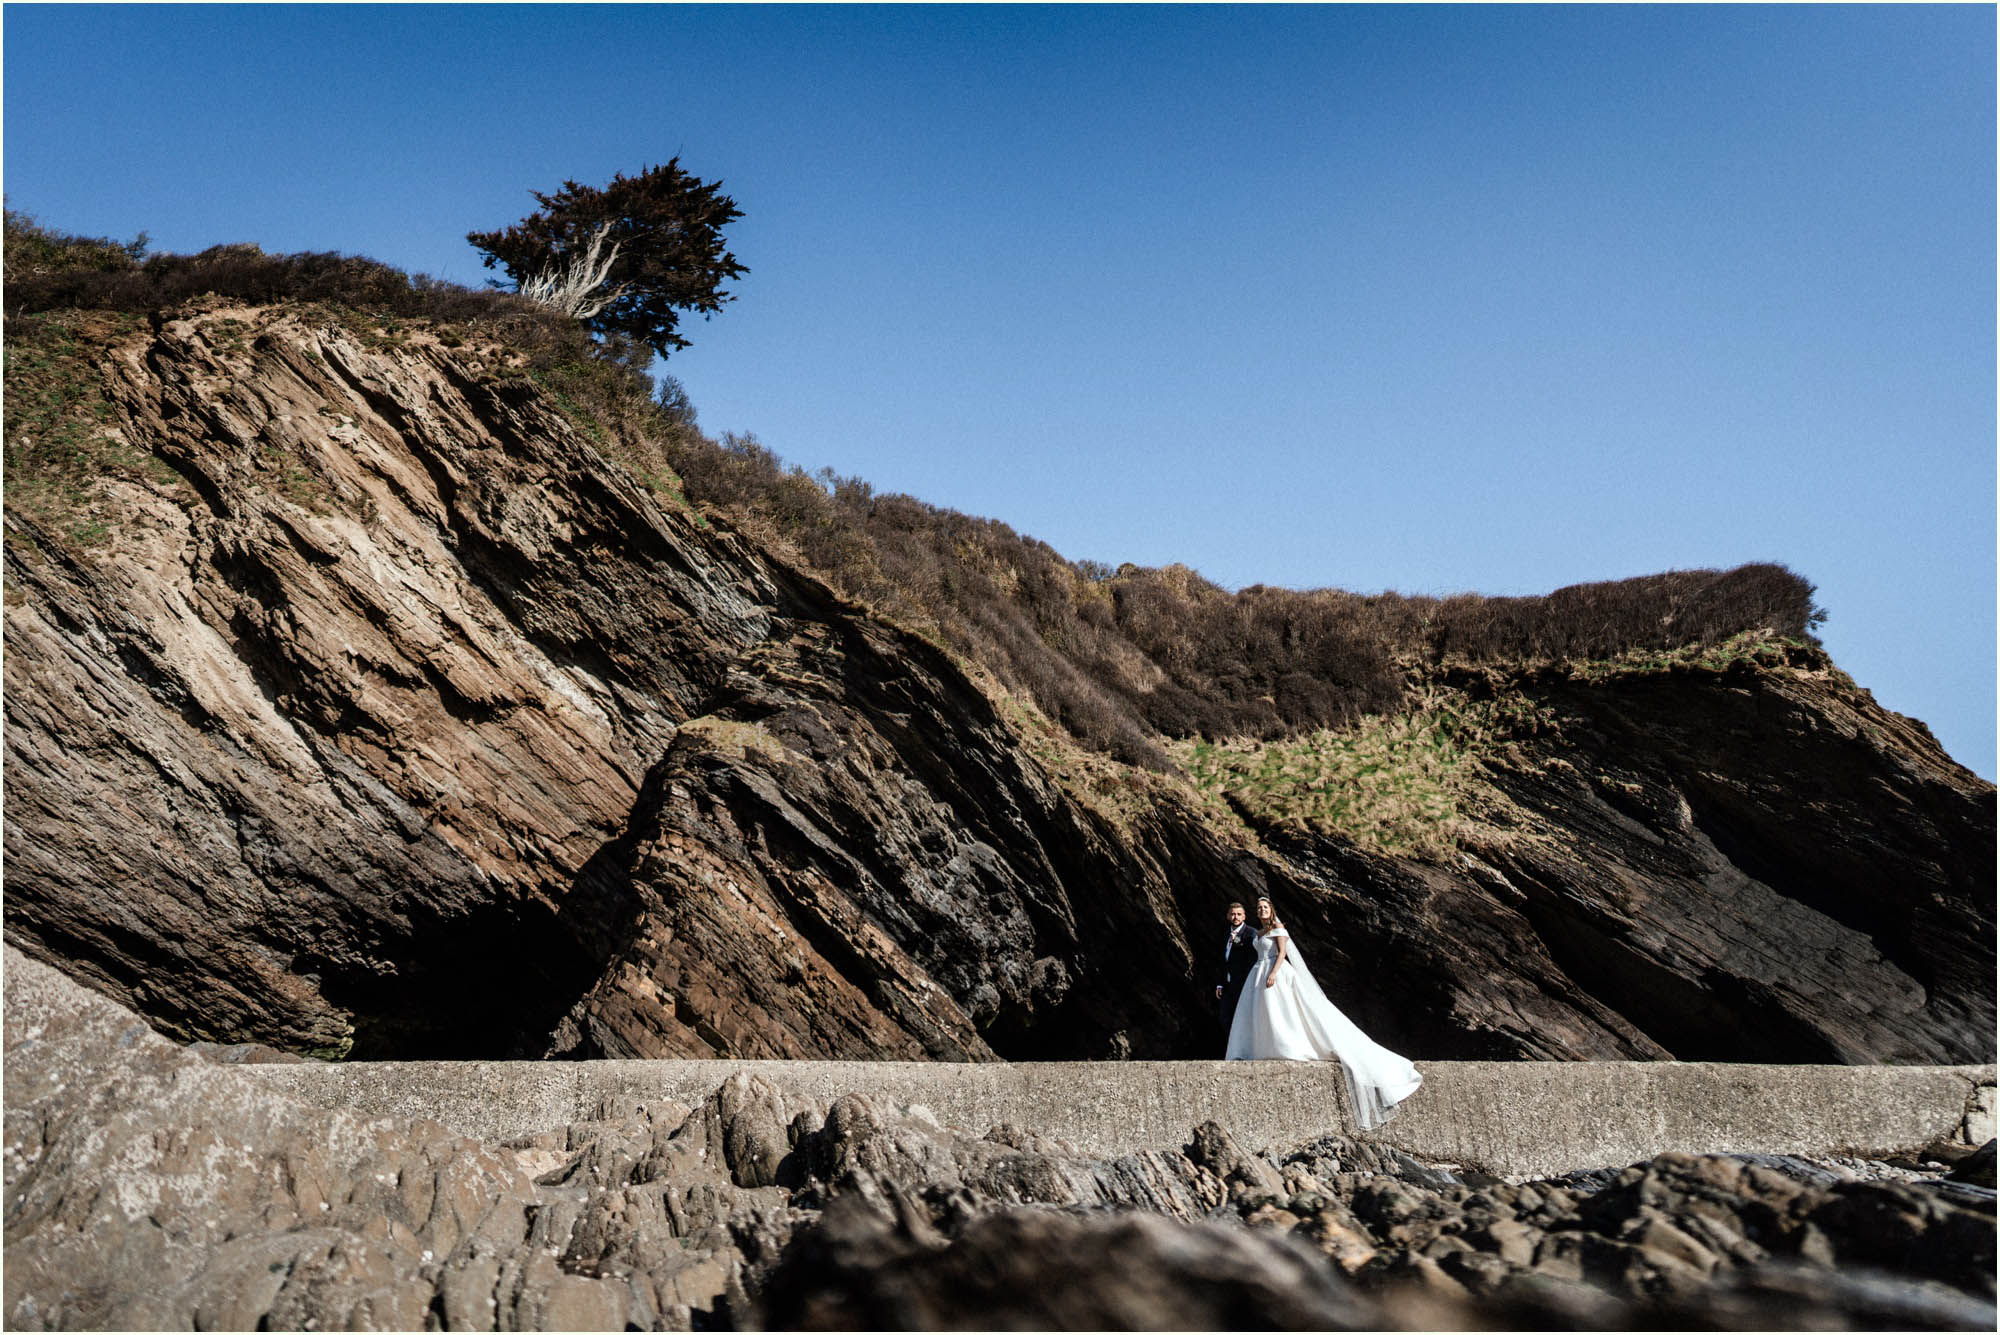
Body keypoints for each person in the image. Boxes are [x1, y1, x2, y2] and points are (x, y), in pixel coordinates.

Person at [1225, 896, 1423, 1131]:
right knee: (1260, 1014)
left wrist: (1274, 973)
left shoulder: (1278, 928)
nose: (1262, 910)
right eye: (1259, 908)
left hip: (1274, 973)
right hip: (1256, 974)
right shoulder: (1257, 933)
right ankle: (1261, 1047)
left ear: (1271, 910)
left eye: (1265, 907)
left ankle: (1287, 1046)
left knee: (1284, 1013)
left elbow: (1281, 953)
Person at [1214, 901, 1258, 1055]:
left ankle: (1245, 1051)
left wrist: (1248, 983)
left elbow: (1251, 961)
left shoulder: (1251, 933)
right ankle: (1233, 1051)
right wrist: (1220, 984)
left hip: (1242, 984)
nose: (1235, 917)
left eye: (1239, 914)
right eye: (1233, 914)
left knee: (1243, 1018)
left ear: (1244, 916)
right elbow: (1222, 960)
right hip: (1226, 985)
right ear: (1228, 916)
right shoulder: (1224, 934)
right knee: (1225, 1018)